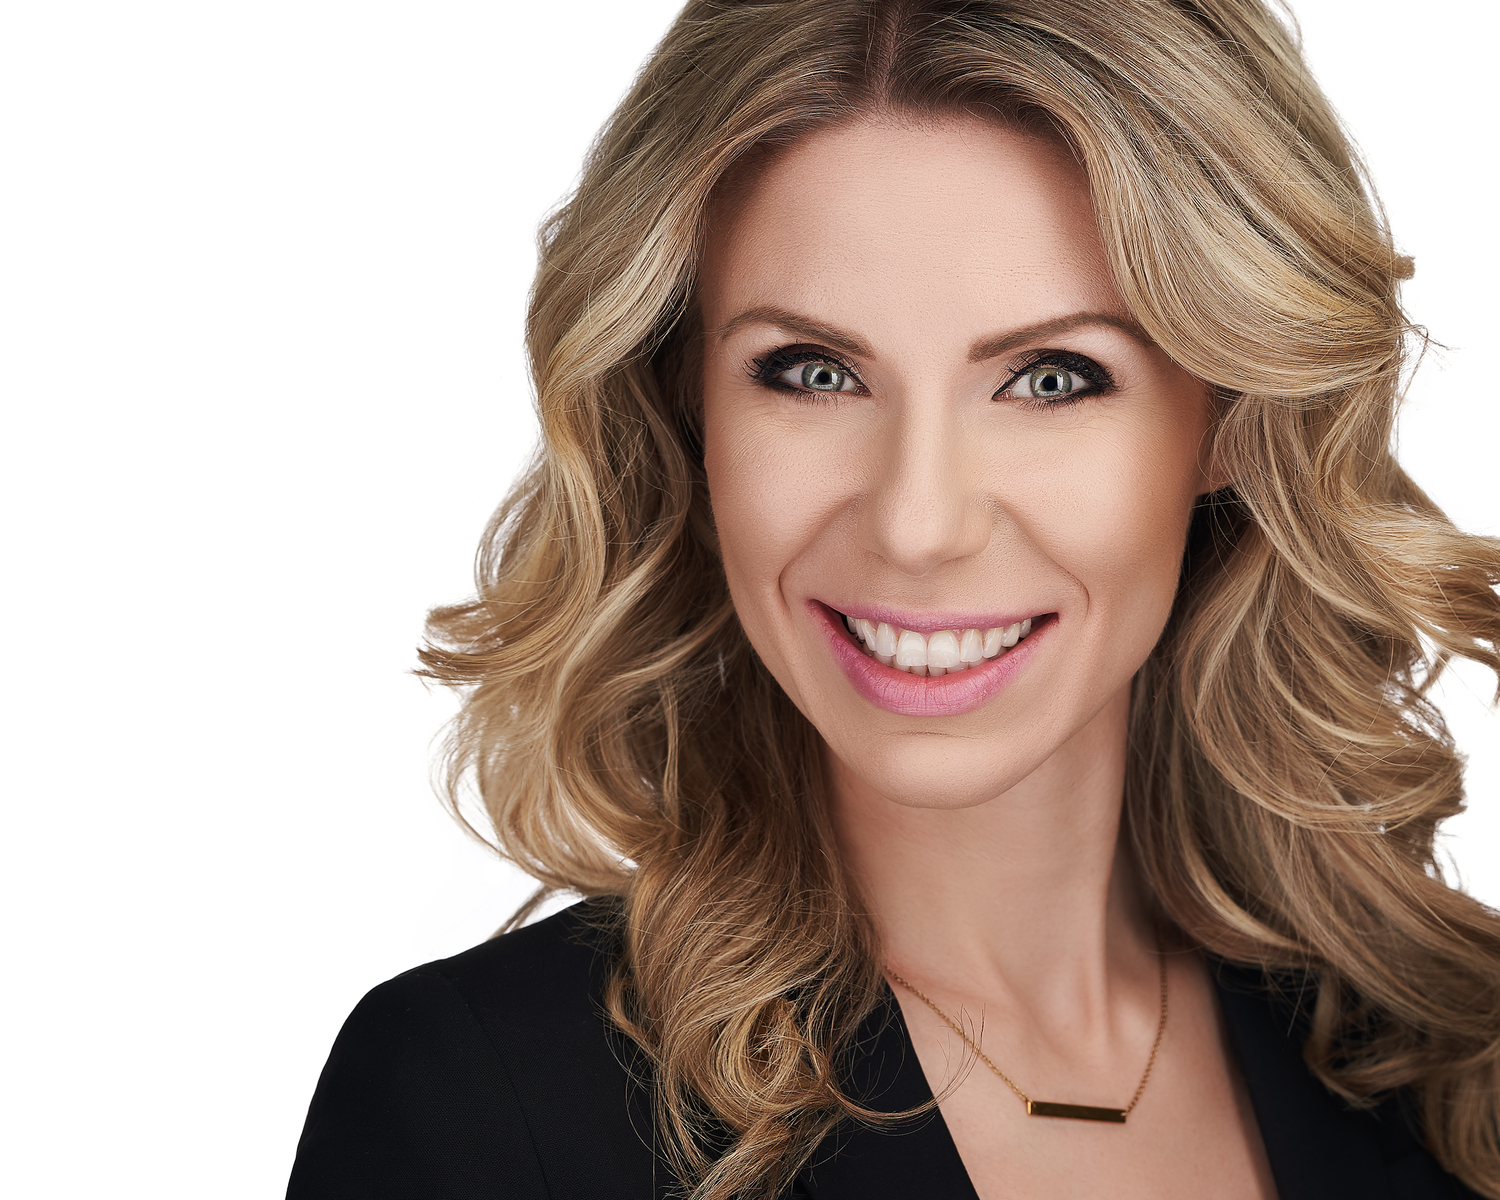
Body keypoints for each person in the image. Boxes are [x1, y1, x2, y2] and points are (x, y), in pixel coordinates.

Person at [286, 1, 1500, 1196]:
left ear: (1235, 415)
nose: (919, 526)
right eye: (813, 373)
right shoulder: (480, 1109)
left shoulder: (1461, 1067)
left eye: (1051, 377)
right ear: (685, 408)